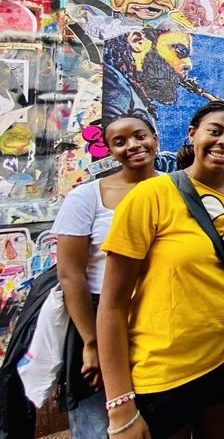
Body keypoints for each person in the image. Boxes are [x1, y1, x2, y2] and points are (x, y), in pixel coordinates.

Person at [97, 101, 224, 438]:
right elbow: (113, 304)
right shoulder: (151, 195)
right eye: (215, 131)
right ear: (193, 135)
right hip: (164, 365)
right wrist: (120, 406)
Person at [53, 115, 158, 438]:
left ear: (154, 137)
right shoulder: (87, 198)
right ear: (110, 151)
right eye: (120, 142)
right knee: (101, 422)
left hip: (154, 316)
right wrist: (90, 342)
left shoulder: (174, 190)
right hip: (97, 313)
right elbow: (71, 275)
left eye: (140, 136)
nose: (133, 146)